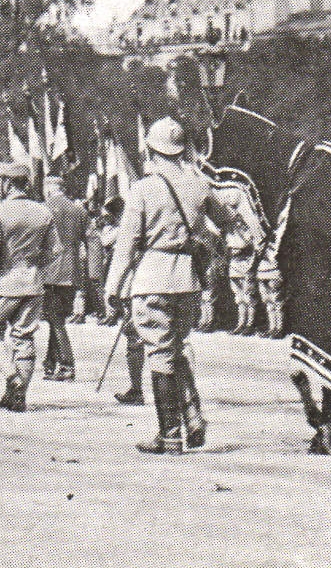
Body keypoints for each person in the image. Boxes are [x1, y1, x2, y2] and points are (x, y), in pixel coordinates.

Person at [105, 118, 247, 454]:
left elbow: (126, 244)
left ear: (152, 150)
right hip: (189, 280)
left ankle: (169, 434)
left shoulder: (142, 189)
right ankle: (193, 416)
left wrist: (113, 288)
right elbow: (227, 221)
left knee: (160, 355)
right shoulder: (199, 184)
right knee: (179, 347)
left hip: (153, 277)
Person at [0, 161, 60, 412]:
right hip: (33, 283)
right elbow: (55, 250)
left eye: (0, 180)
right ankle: (18, 397)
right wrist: (34, 265)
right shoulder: (43, 212)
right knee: (24, 337)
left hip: (5, 283)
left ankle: (12, 377)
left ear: (7, 183)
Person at [41, 175, 88, 381]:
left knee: (55, 319)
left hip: (50, 270)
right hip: (72, 270)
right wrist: (94, 275)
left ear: (49, 189)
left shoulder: (44, 208)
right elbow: (92, 240)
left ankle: (67, 365)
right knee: (56, 317)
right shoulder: (79, 210)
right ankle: (50, 362)